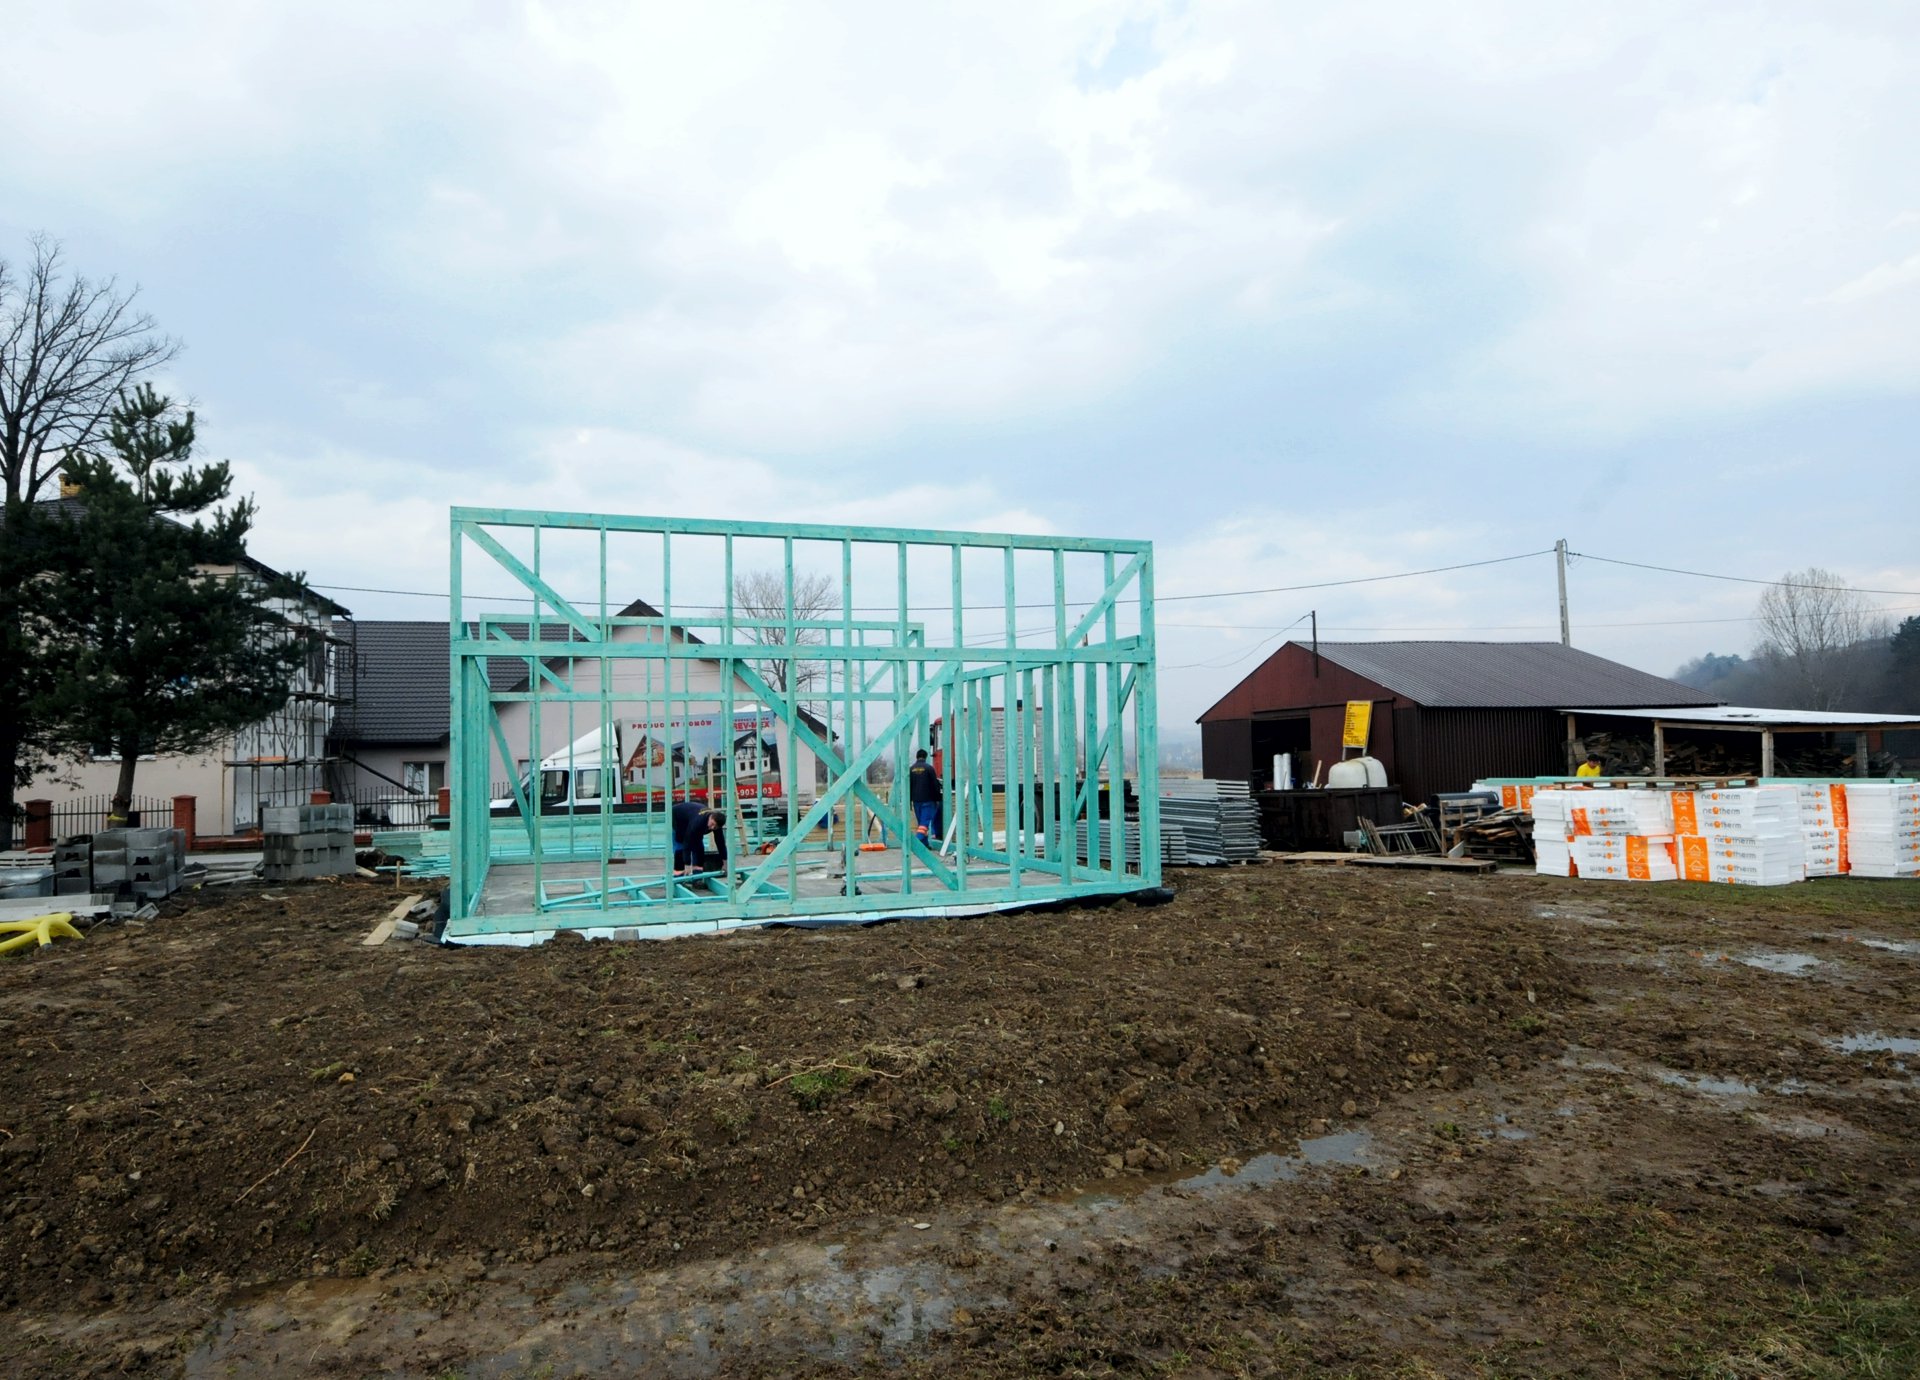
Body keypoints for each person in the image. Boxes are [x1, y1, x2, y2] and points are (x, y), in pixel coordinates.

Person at [671, 800, 728, 875]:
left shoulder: (717, 823)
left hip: (692, 814)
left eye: (715, 827)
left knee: (698, 845)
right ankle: (679, 872)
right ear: (710, 817)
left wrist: (725, 862)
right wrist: (687, 864)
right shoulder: (697, 822)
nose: (712, 828)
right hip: (677, 816)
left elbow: (720, 843)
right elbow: (687, 842)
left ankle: (697, 870)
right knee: (681, 843)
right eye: (712, 824)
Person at [907, 748, 942, 846]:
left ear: (917, 757)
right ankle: (915, 844)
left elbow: (909, 786)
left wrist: (909, 800)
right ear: (925, 757)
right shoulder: (929, 768)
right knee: (924, 824)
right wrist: (938, 799)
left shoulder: (911, 769)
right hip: (928, 800)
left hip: (916, 801)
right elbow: (935, 785)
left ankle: (924, 845)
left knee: (921, 824)